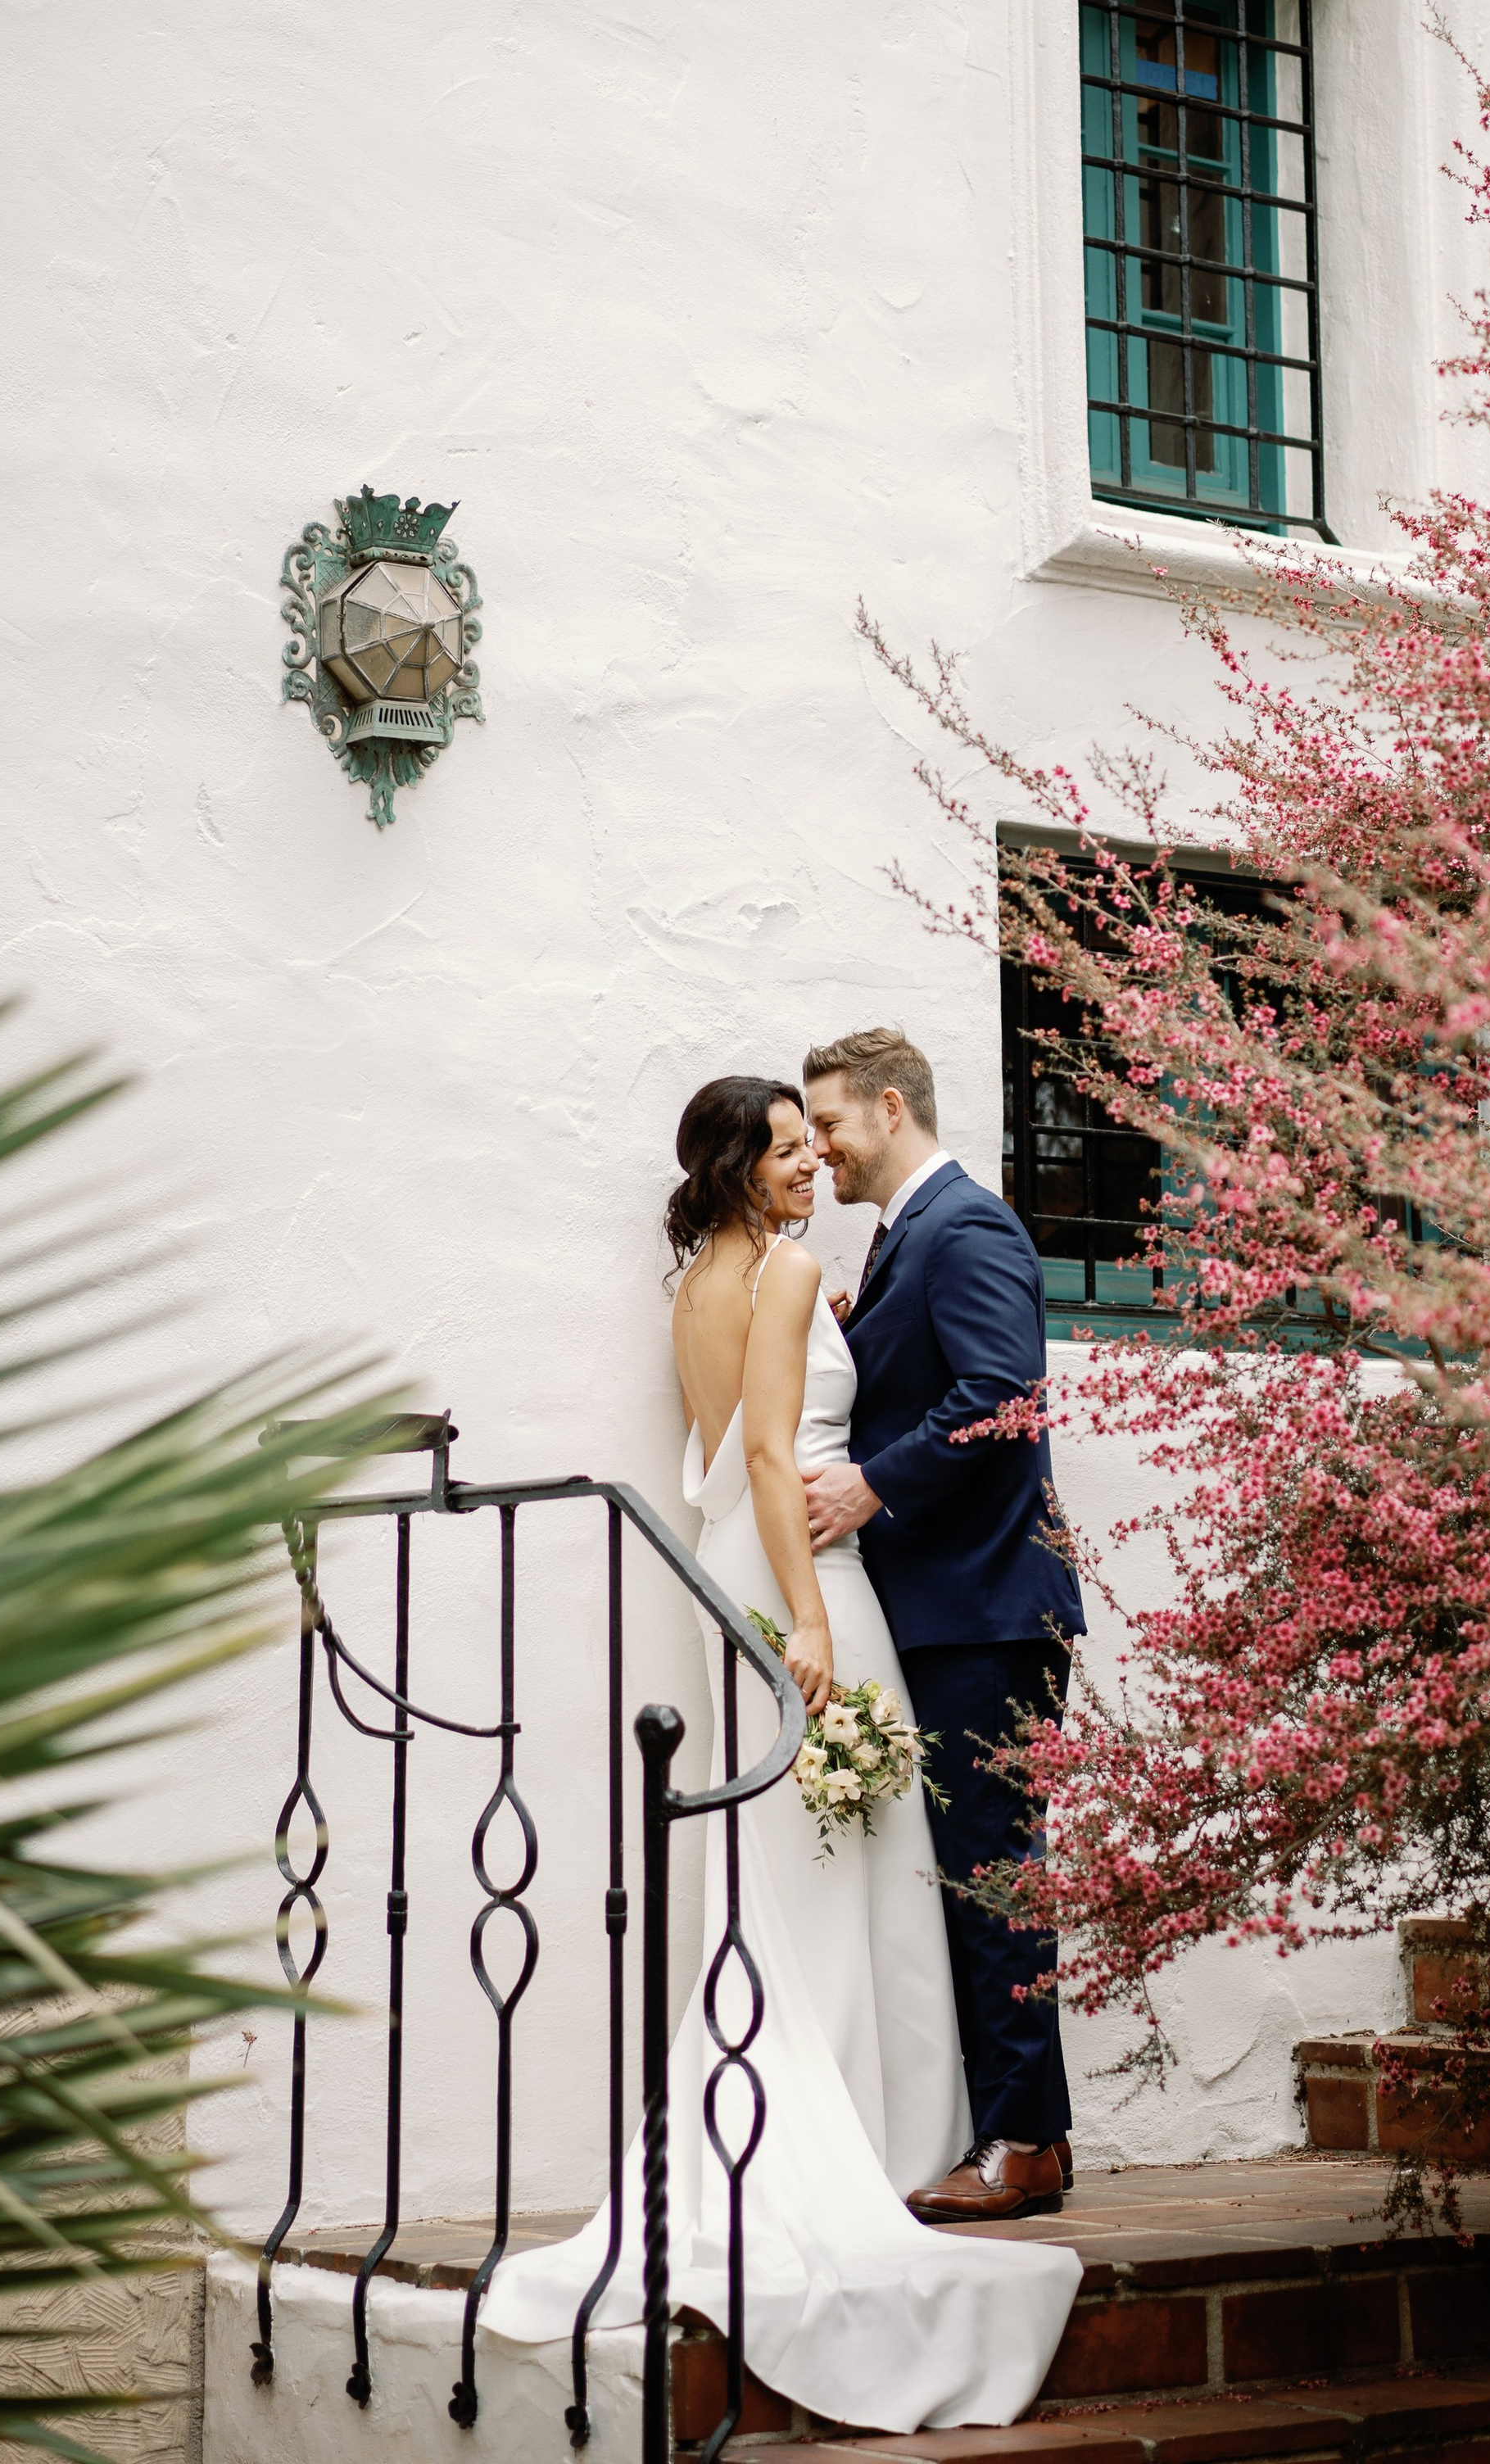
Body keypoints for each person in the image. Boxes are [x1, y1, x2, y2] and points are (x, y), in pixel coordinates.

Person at [482, 1076, 1078, 2430]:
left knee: (795, 1837)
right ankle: (868, 2135)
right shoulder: (793, 1266)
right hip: (804, 1563)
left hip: (728, 1560)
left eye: (822, 1145)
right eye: (794, 1151)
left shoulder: (699, 1280)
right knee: (851, 1832)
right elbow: (764, 1448)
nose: (815, 1168)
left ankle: (810, 2113)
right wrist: (809, 1612)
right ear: (747, 1167)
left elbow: (717, 1444)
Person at [800, 1027, 1085, 2226]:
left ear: (891, 1105)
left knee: (993, 1874)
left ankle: (1023, 2141)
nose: (818, 1153)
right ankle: (1021, 2132)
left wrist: (872, 1484)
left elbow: (1002, 1401)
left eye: (829, 1126)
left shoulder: (964, 1227)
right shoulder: (910, 1235)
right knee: (972, 1873)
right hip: (947, 1609)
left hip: (984, 1609)